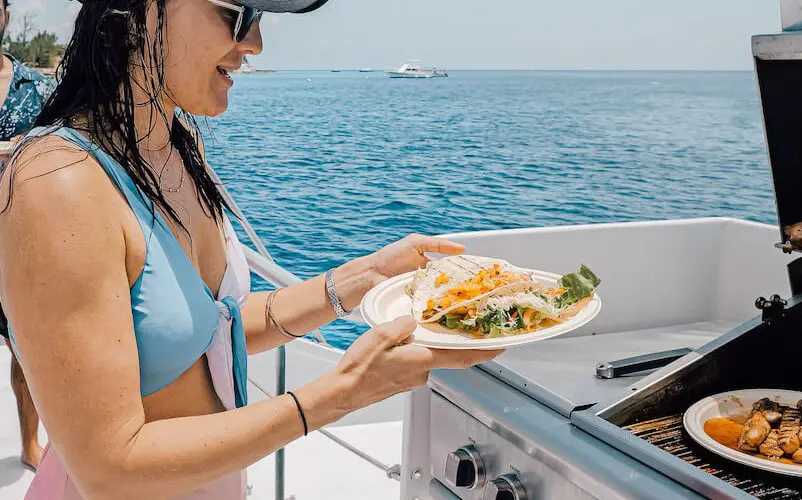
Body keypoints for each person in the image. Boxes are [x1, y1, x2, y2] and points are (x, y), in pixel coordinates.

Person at [0, 0, 501, 498]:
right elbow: (108, 468)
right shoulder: (55, 183)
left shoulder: (177, 145)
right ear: (144, 11)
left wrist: (356, 280)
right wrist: (344, 392)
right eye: (237, 14)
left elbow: (213, 326)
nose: (255, 43)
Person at [0, 0, 56, 472]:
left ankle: (29, 443)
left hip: (20, 244)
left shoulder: (38, 89)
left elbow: (63, 150)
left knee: (27, 349)